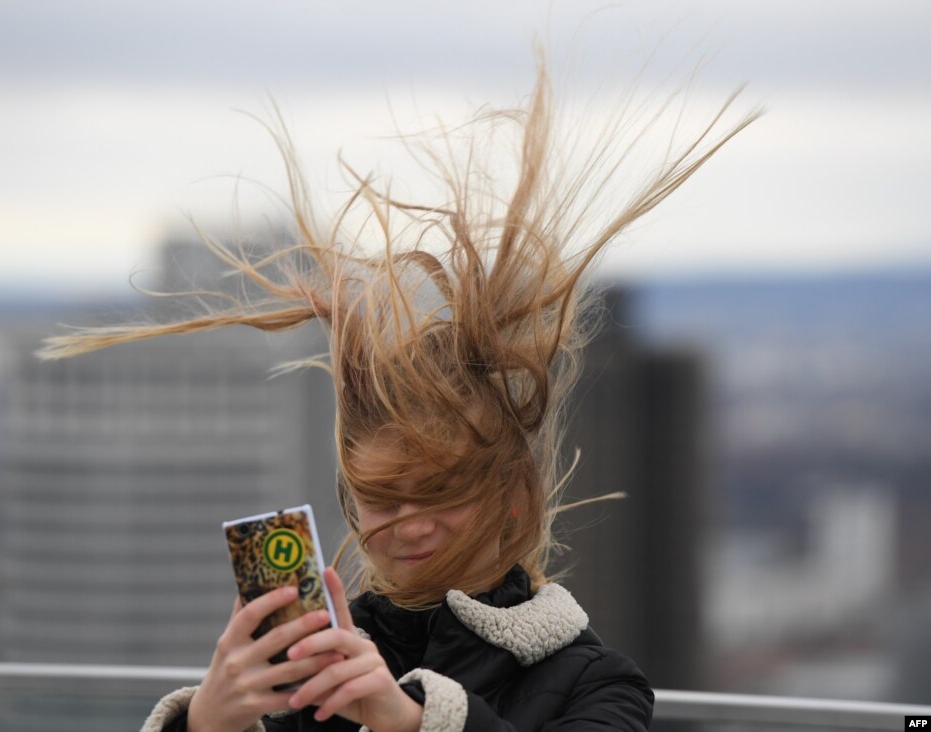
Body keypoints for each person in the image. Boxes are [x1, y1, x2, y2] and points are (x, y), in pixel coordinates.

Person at [40, 60, 758, 732]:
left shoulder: (598, 682)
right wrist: (209, 722)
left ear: (512, 494)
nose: (407, 525)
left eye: (439, 492)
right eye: (382, 498)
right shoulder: (310, 663)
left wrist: (411, 720)